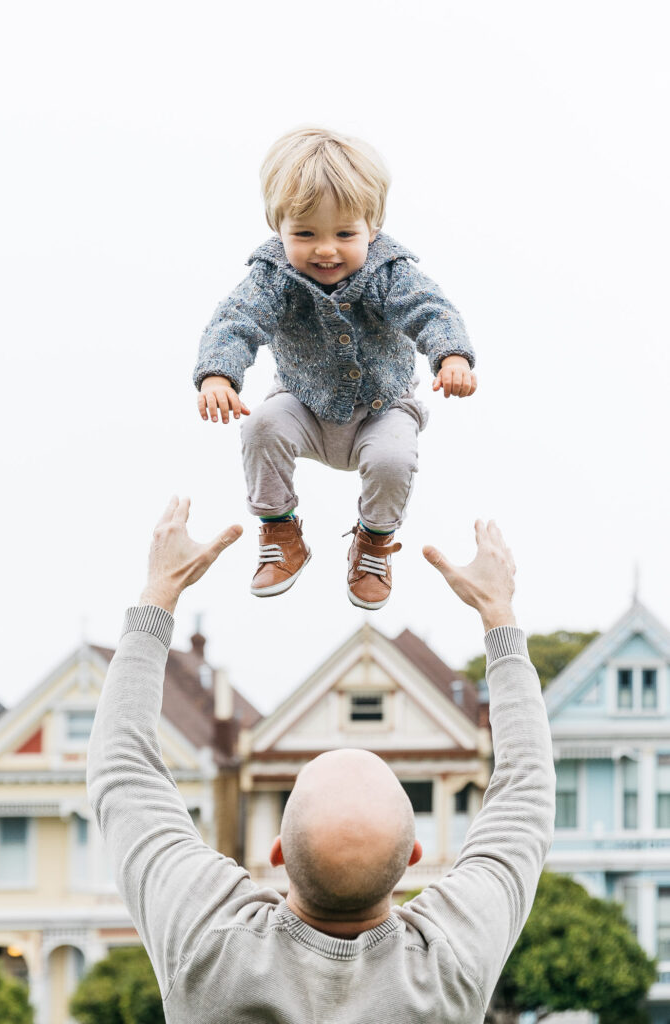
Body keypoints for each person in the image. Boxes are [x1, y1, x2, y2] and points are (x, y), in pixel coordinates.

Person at [87, 497, 555, 1024]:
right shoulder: (450, 967)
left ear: (279, 852)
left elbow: (122, 769)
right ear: (412, 857)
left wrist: (161, 590)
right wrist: (499, 612)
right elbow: (525, 796)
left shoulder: (209, 950)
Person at [192, 127, 477, 609]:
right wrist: (219, 374)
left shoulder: (390, 272)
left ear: (373, 226)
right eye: (305, 235)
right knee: (261, 426)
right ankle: (281, 532)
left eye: (345, 234)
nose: (326, 250)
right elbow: (235, 319)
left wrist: (451, 355)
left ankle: (374, 542)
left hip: (382, 407)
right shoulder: (273, 276)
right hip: (303, 405)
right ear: (277, 227)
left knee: (393, 460)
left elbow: (430, 309)